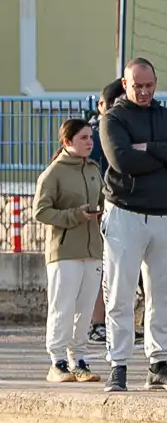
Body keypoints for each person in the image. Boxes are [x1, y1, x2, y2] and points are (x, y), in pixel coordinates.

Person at [96, 57, 167, 393]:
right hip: (124, 212)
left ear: (155, 83)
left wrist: (152, 149)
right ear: (124, 85)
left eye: (149, 85)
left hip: (166, 214)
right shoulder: (113, 118)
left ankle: (158, 362)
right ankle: (119, 364)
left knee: (166, 293)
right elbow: (122, 160)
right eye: (137, 85)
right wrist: (165, 156)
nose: (143, 91)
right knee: (120, 293)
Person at [36, 118, 103, 383]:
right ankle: (57, 361)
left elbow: (101, 200)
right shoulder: (53, 173)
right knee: (62, 306)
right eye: (83, 138)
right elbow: (41, 211)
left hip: (92, 250)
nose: (89, 142)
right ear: (67, 142)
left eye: (90, 137)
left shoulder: (93, 169)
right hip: (64, 251)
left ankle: (79, 360)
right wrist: (75, 215)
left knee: (84, 308)